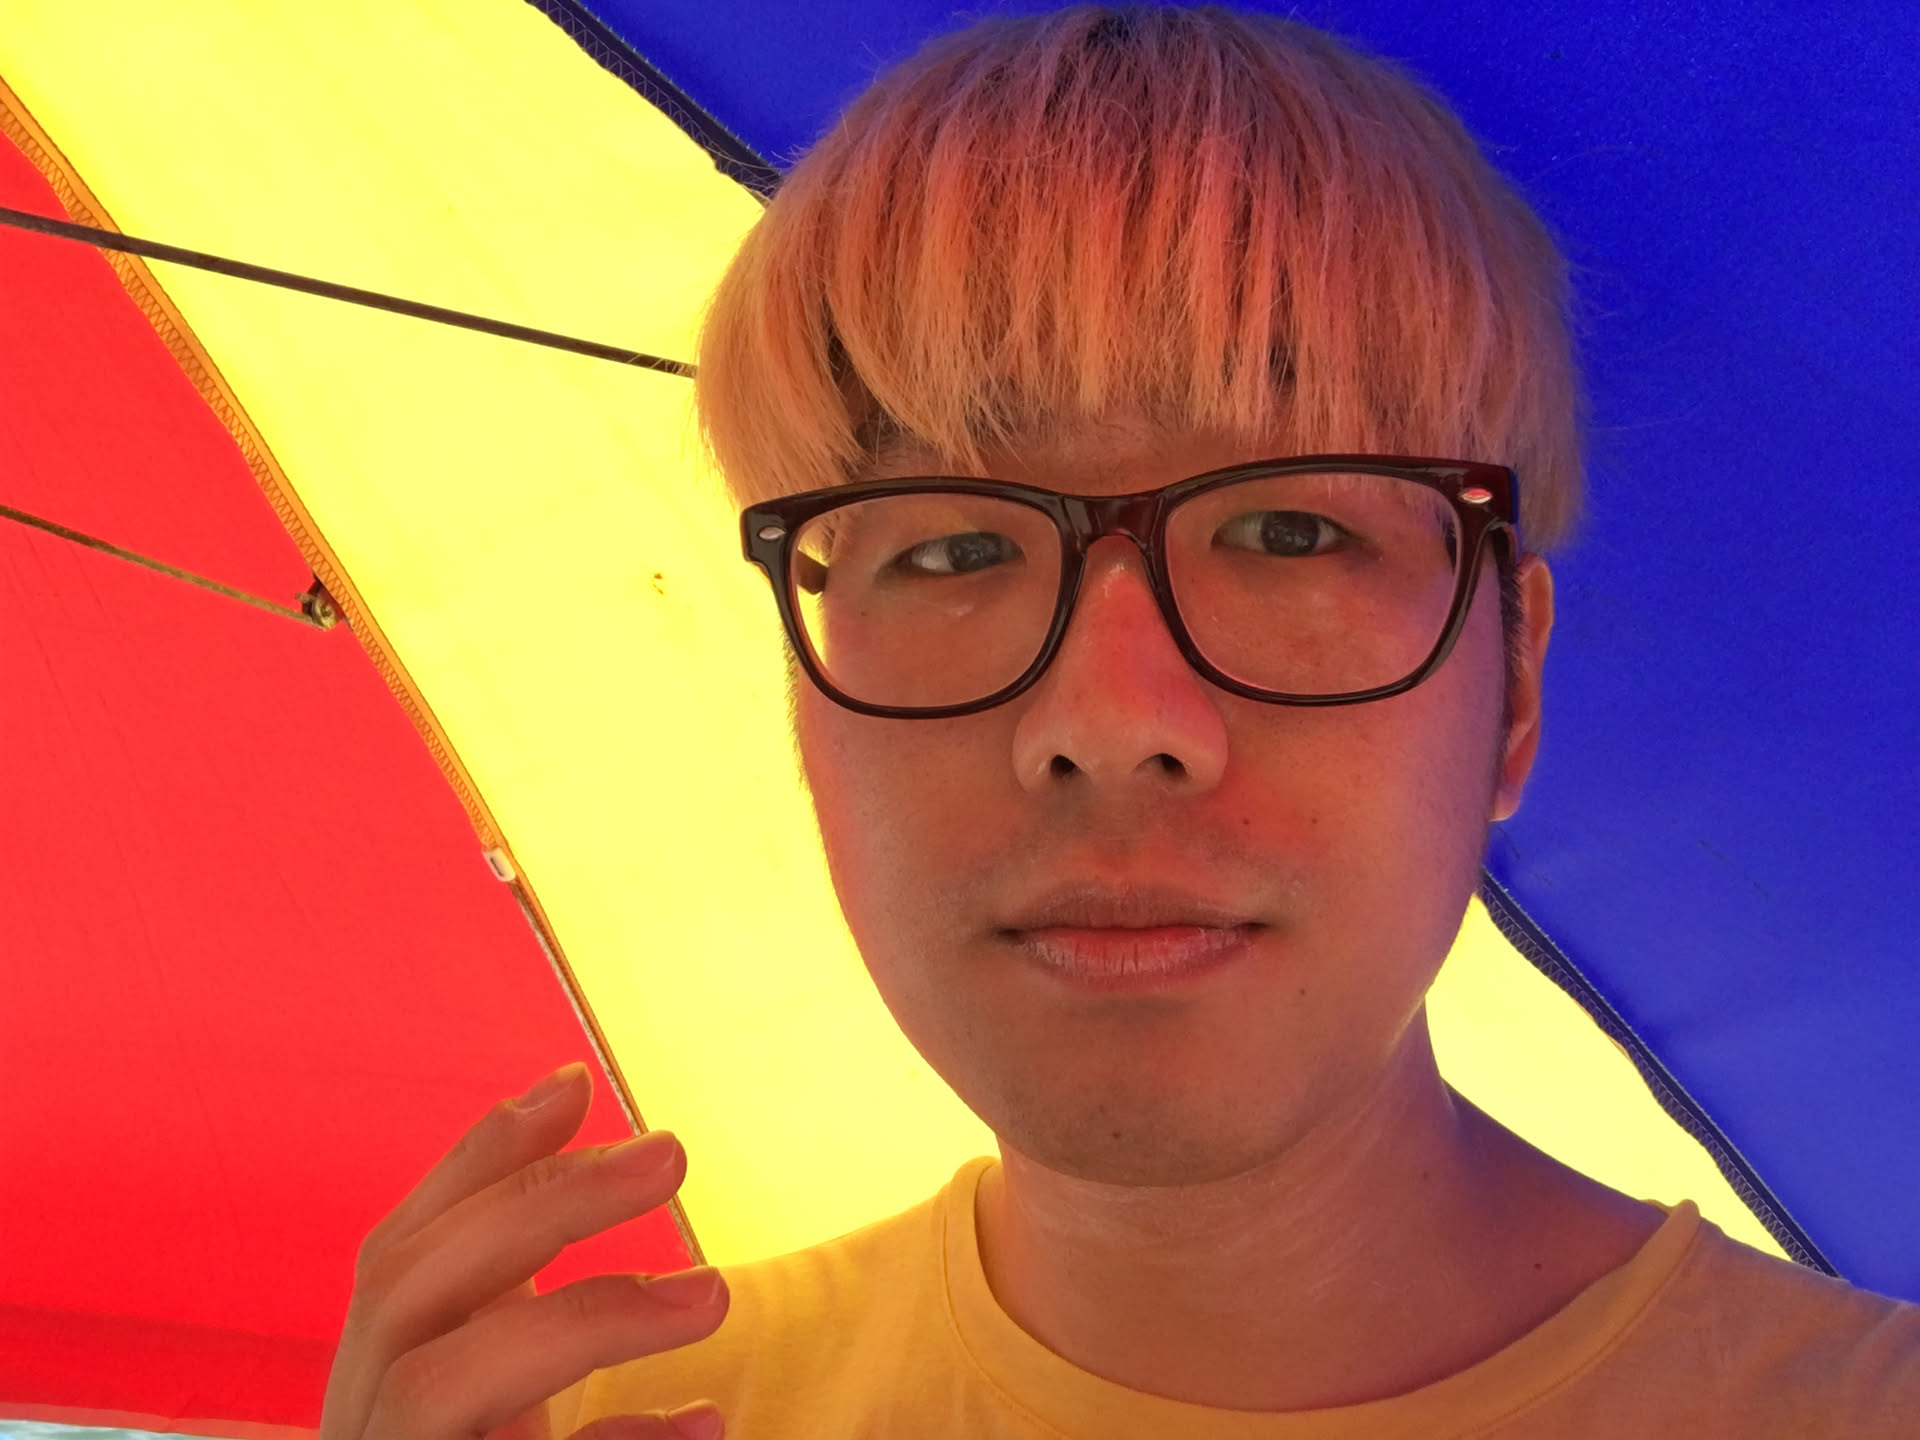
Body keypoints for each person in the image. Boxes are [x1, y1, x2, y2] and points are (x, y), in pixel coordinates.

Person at [317, 7, 1920, 1438]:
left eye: (1291, 532)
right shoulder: (603, 1422)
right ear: (806, 712)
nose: (1106, 719)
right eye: (951, 552)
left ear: (1512, 688)